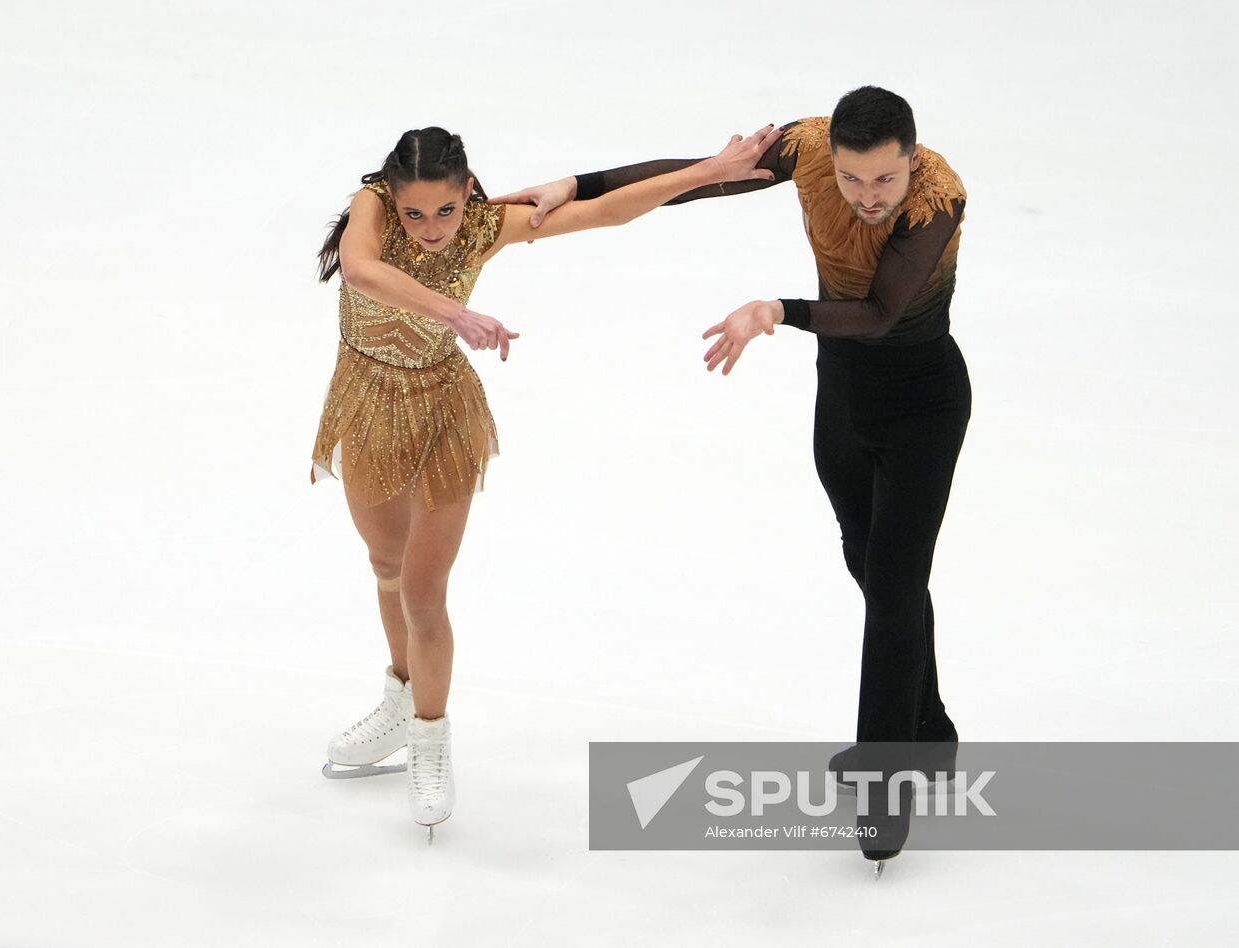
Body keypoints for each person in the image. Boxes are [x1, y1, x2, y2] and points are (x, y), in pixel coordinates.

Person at [491, 86, 970, 871]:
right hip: (844, 398)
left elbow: (882, 312)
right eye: (852, 182)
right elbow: (708, 173)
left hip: (924, 404)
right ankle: (928, 732)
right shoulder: (810, 147)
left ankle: (886, 785)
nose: (867, 198)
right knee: (873, 566)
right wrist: (577, 187)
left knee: (892, 581)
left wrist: (776, 309)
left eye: (883, 180)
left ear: (909, 161)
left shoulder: (938, 198)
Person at [312, 124, 782, 840]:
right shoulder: (372, 204)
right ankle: (402, 701)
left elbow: (606, 211)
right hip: (366, 397)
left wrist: (705, 171)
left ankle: (431, 740)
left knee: (422, 590)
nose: (432, 229)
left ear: (468, 192)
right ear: (391, 198)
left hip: (441, 409)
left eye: (445, 211)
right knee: (384, 563)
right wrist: (456, 310)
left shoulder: (485, 226)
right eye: (415, 214)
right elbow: (361, 271)